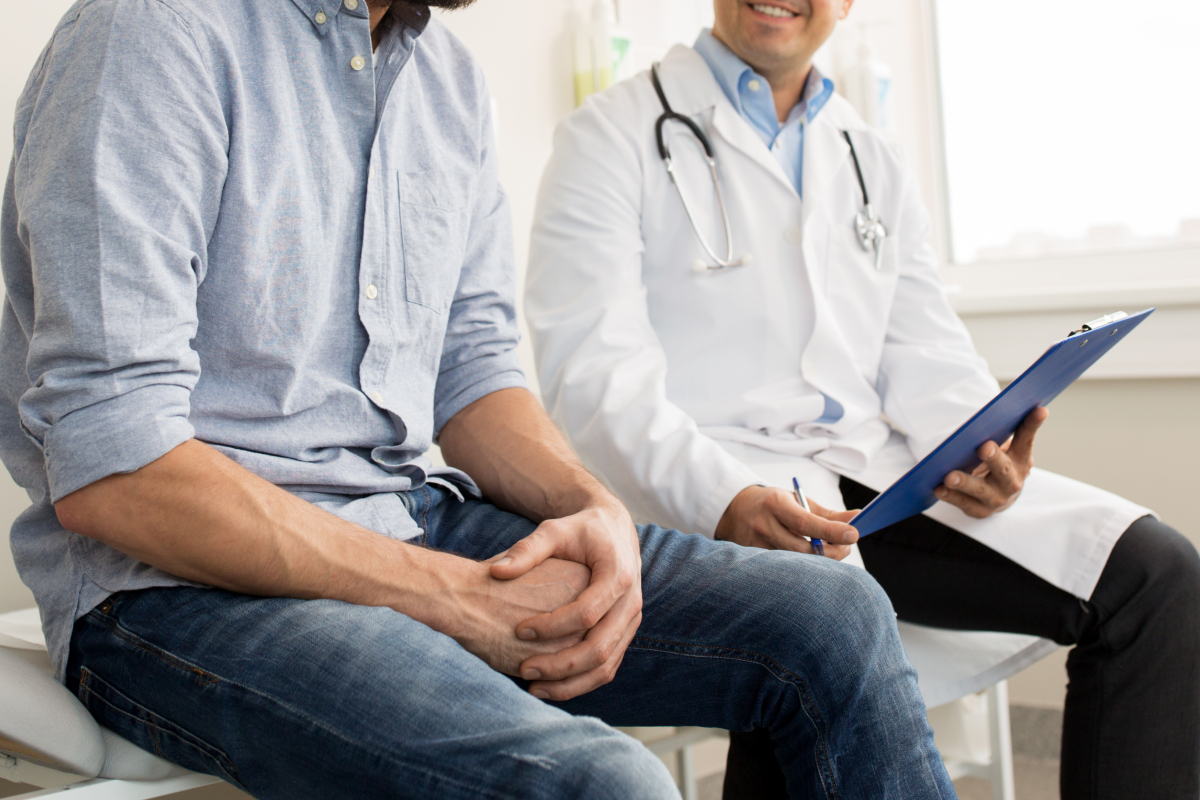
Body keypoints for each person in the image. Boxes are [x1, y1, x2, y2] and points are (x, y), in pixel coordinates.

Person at [0, 0, 959, 798]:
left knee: (833, 617)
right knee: (604, 785)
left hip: (417, 522)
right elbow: (115, 469)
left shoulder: (446, 83)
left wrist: (598, 513)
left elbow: (472, 375)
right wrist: (453, 598)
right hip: (175, 590)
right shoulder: (154, 34)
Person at [524, 0, 1200, 798]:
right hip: (704, 488)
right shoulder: (608, 135)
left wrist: (985, 442)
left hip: (874, 480)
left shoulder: (870, 152)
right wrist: (726, 497)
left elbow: (924, 350)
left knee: (1156, 576)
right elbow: (593, 379)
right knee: (812, 623)